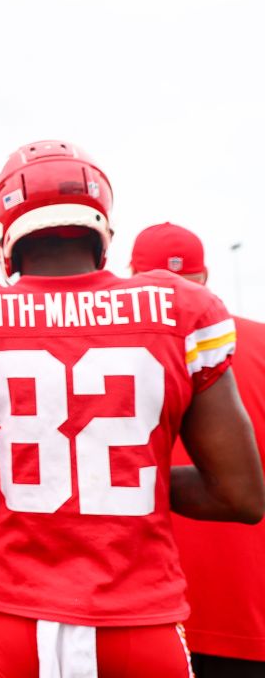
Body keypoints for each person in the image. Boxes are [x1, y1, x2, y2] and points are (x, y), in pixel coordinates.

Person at [0, 140, 264, 677]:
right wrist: (125, 473)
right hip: (142, 623)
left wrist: (25, 467)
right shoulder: (180, 311)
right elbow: (240, 494)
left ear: (3, 230)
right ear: (99, 224)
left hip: (19, 624)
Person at [132, 223, 265, 677]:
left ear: (131, 276)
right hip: (247, 604)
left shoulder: (110, 348)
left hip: (136, 609)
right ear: (205, 277)